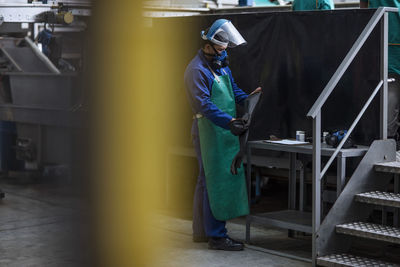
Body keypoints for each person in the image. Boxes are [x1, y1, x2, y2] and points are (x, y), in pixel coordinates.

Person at [184, 19, 261, 251]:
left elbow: (231, 88)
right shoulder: (196, 70)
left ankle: (201, 232)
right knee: (213, 182)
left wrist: (247, 98)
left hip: (221, 130)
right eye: (221, 47)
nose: (224, 51)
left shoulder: (220, 64)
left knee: (204, 180)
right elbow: (204, 105)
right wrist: (230, 122)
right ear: (209, 44)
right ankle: (217, 236)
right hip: (207, 131)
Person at [360, 0, 400, 144]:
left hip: (386, 42)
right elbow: (363, 5)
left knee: (389, 99)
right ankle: (388, 142)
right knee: (389, 99)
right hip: (385, 45)